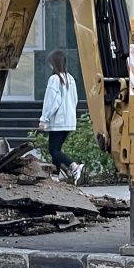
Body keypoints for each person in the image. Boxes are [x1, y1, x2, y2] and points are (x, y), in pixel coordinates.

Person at [38, 50, 83, 184]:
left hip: (58, 120)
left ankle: (74, 166)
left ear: (54, 63)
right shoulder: (70, 78)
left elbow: (52, 101)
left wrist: (44, 118)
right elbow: (75, 100)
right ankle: (55, 176)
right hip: (69, 120)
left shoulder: (54, 79)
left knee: (53, 149)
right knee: (56, 148)